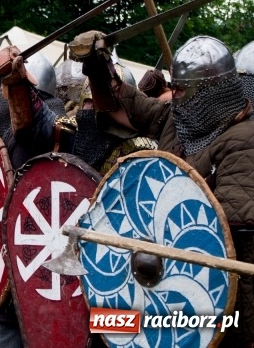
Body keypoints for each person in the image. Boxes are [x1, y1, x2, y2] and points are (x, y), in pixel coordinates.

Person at [75, 32, 254, 347]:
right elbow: (122, 106)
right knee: (110, 330)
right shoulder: (179, 118)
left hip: (215, 299)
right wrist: (96, 64)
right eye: (175, 87)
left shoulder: (244, 141)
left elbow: (226, 238)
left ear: (210, 92)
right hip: (154, 271)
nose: (176, 94)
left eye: (183, 89)